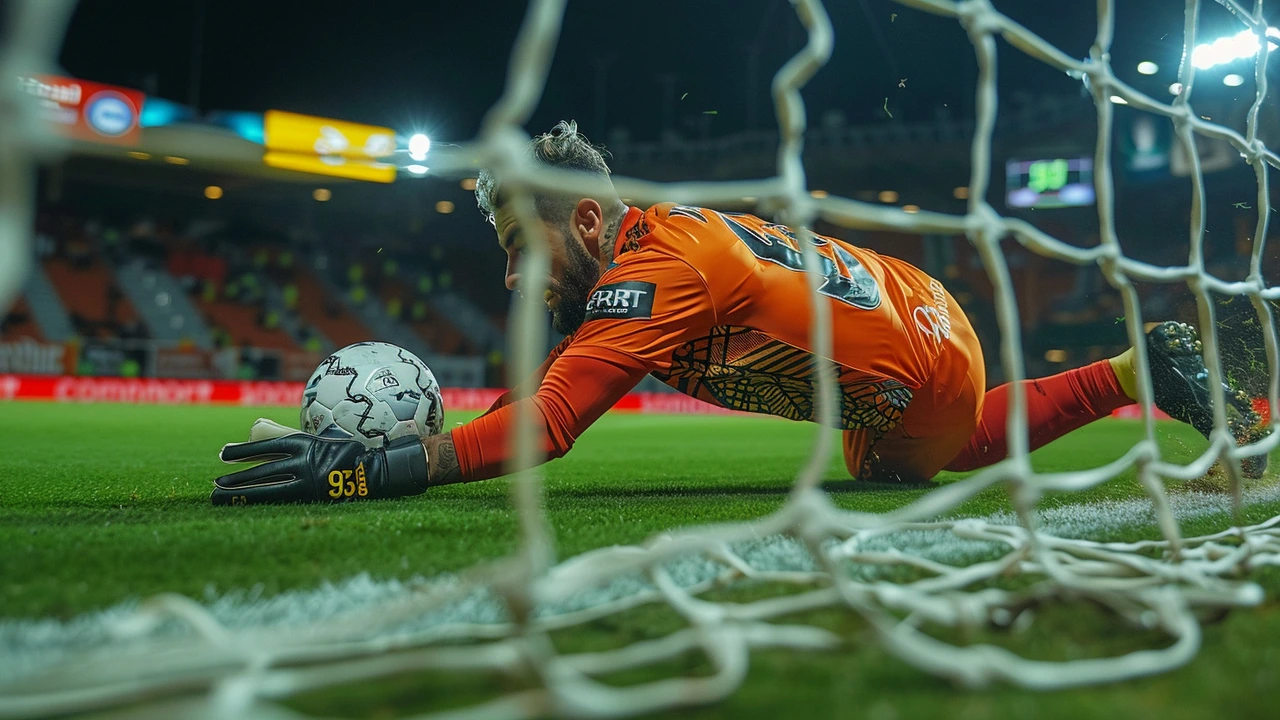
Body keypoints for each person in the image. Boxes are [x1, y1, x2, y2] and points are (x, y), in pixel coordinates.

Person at [211, 122, 1269, 505]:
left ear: (584, 221)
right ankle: (1134, 372)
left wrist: (367, 466)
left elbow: (544, 429)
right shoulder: (656, 251)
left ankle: (1140, 378)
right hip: (918, 308)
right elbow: (538, 398)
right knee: (919, 444)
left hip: (913, 357)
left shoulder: (654, 272)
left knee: (896, 464)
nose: (507, 278)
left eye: (515, 247)